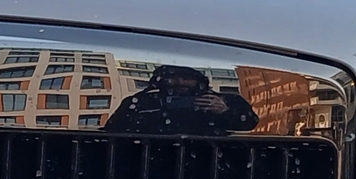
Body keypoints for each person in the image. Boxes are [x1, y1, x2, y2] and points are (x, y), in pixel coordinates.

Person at [103, 64, 259, 136]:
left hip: (214, 167)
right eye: (173, 77)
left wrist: (224, 111)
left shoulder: (226, 99)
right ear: (160, 81)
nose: (180, 82)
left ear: (199, 80)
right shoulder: (139, 102)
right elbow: (112, 130)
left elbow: (250, 124)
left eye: (186, 78)